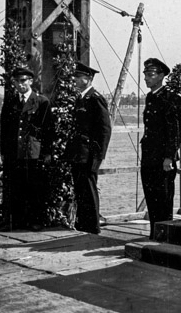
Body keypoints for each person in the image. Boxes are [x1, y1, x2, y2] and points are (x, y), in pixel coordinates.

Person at [0, 67, 54, 231]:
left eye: (23, 81)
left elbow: (48, 129)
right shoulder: (10, 101)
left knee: (34, 187)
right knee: (15, 187)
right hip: (14, 151)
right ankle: (16, 221)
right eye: (16, 81)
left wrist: (47, 152)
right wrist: (3, 152)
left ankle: (36, 220)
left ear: (30, 81)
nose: (19, 84)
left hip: (33, 152)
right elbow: (5, 129)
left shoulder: (41, 102)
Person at [66, 62, 112, 234]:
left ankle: (93, 226)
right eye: (75, 77)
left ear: (89, 79)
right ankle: (83, 223)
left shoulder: (95, 99)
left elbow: (104, 130)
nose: (75, 80)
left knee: (89, 189)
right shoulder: (80, 98)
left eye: (79, 77)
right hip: (78, 153)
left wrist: (98, 156)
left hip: (89, 154)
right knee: (80, 189)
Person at [141, 57, 181, 240]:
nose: (146, 78)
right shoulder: (151, 97)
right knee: (151, 197)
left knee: (163, 198)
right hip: (149, 157)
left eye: (150, 75)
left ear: (160, 76)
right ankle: (154, 233)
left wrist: (169, 157)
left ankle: (164, 235)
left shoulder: (169, 98)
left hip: (163, 159)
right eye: (145, 75)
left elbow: (175, 131)